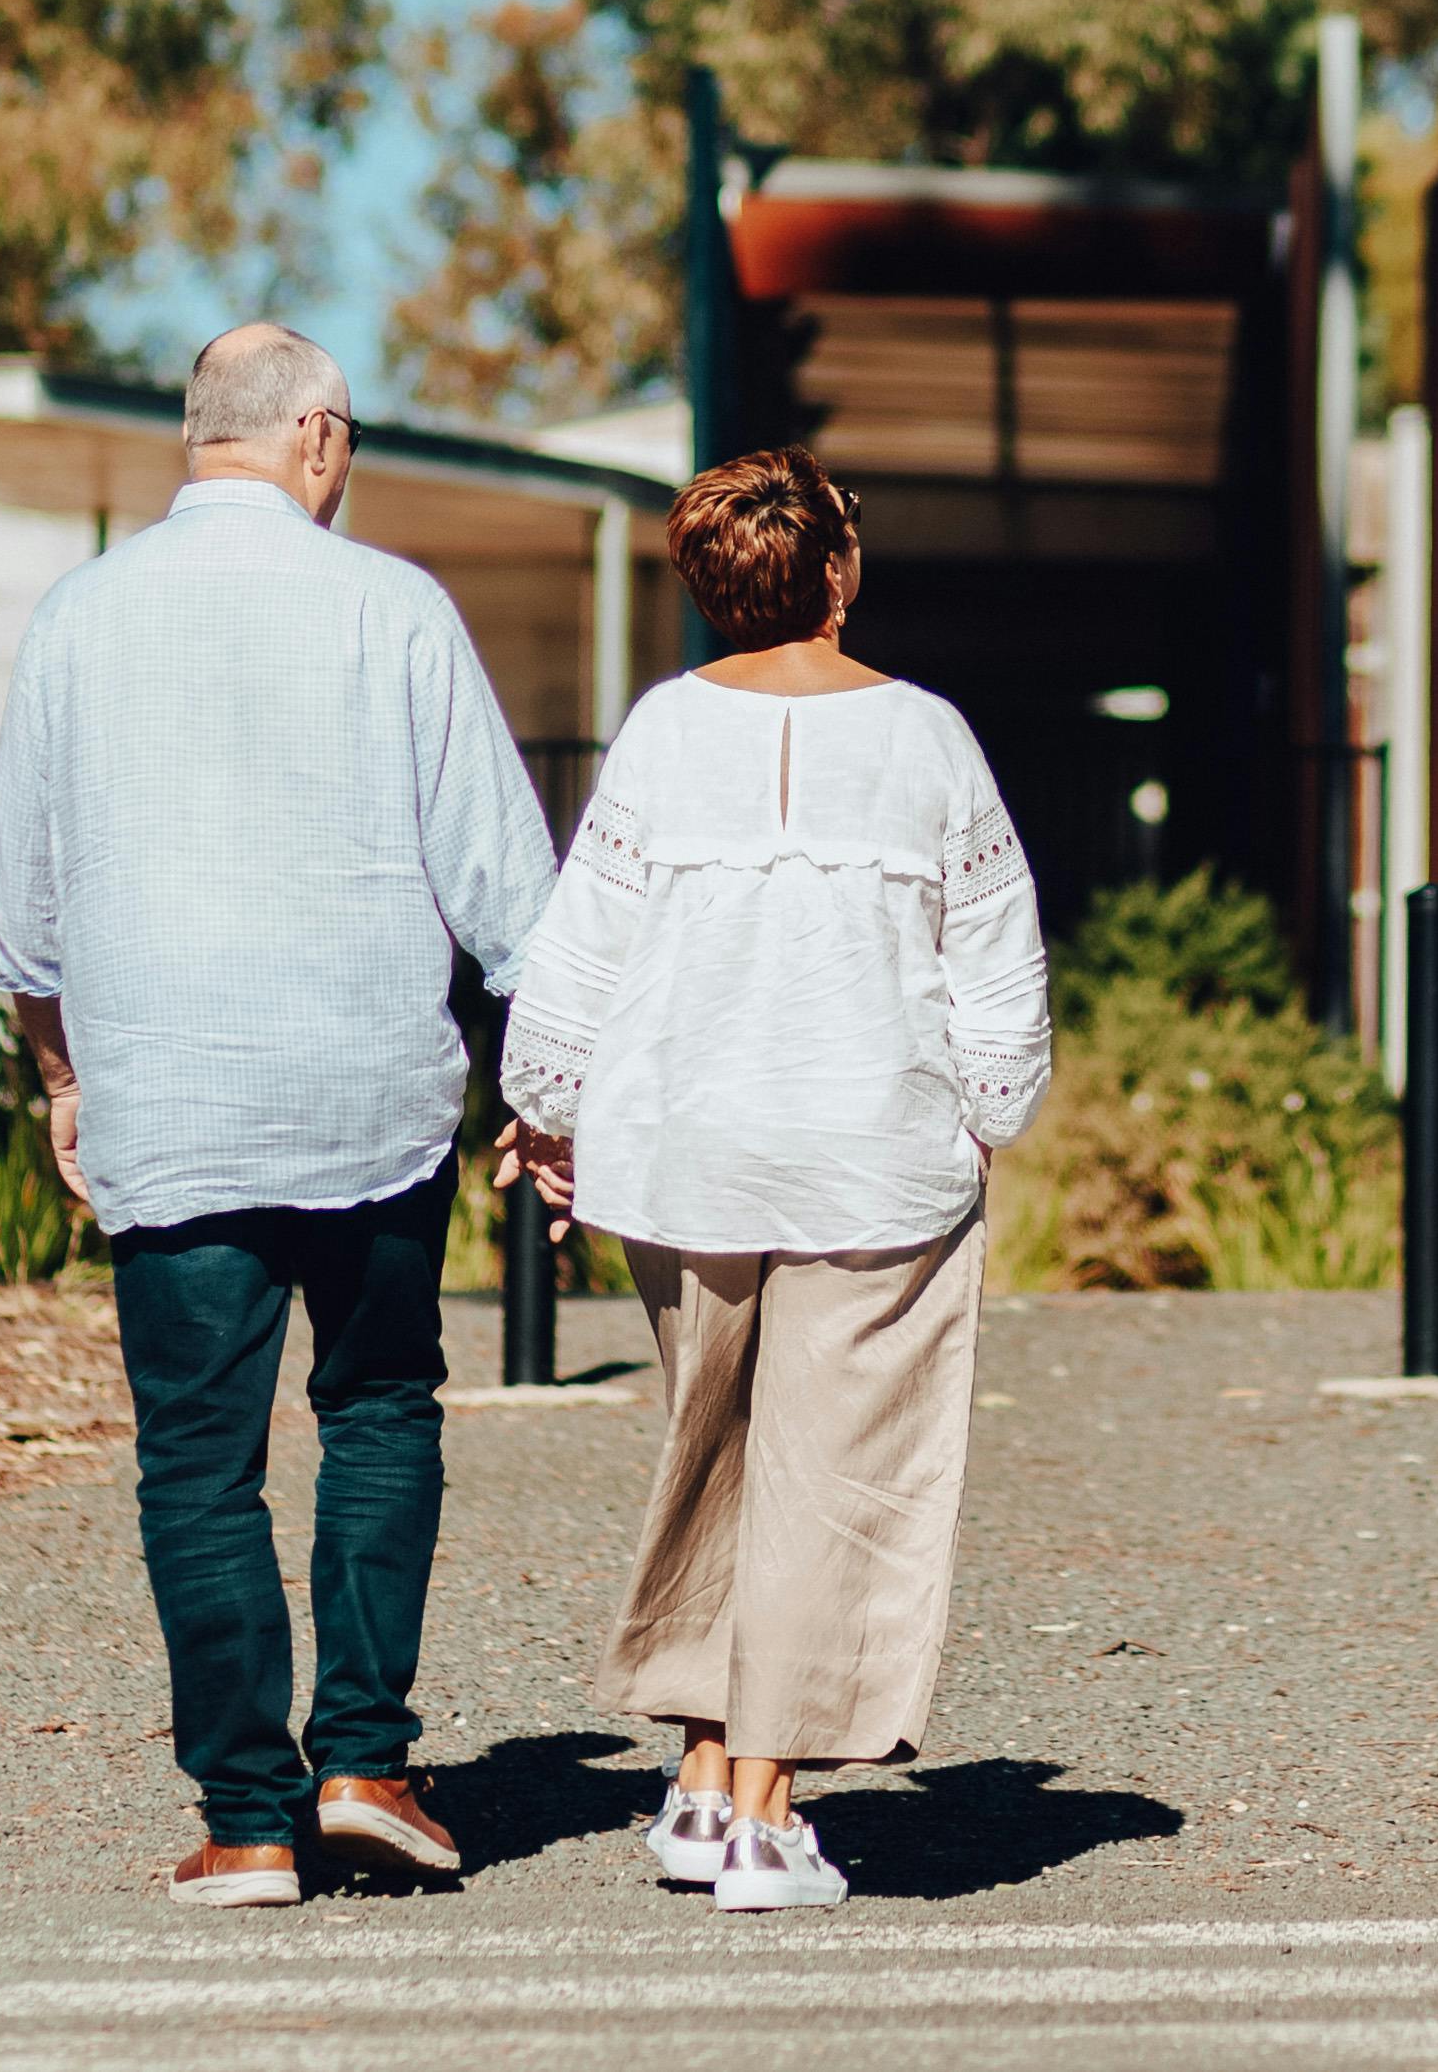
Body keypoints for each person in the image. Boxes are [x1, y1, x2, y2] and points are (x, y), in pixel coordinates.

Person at [0, 322, 557, 1908]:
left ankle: (247, 1819)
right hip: (368, 1092)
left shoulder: (79, 618)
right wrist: (551, 1084)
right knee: (376, 1406)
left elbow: (20, 916)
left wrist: (63, 1078)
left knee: (197, 1460)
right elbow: (509, 891)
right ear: (314, 434)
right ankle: (364, 1759)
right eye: (348, 438)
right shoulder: (395, 610)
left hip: (170, 1096)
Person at [500, 446, 1051, 1918]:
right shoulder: (927, 737)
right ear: (837, 572)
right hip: (872, 1160)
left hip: (681, 1156)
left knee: (716, 1453)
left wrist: (544, 1113)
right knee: (834, 1475)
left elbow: (579, 944)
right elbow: (995, 959)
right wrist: (989, 1110)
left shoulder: (663, 732)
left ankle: (694, 1785)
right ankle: (763, 1816)